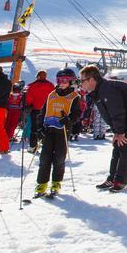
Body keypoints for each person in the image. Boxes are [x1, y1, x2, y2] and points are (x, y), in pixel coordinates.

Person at [79, 64, 127, 192]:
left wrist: (120, 132)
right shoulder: (99, 90)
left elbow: (117, 112)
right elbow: (109, 115)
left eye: (82, 80)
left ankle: (121, 182)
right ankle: (112, 178)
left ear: (91, 79)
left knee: (125, 144)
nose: (81, 84)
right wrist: (116, 132)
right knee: (118, 144)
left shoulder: (107, 89)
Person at [34, 68, 82, 198]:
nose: (61, 83)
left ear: (71, 81)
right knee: (45, 158)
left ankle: (56, 183)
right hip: (49, 130)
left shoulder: (74, 97)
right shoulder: (52, 95)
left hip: (63, 131)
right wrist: (39, 127)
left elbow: (77, 114)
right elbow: (43, 112)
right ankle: (41, 184)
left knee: (59, 159)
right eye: (59, 80)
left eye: (65, 80)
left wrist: (69, 120)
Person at [25, 71, 55, 152]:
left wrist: (29, 105)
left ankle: (33, 146)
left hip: (35, 109)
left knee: (34, 128)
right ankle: (46, 146)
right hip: (47, 110)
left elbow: (28, 97)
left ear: (38, 76)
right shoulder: (51, 85)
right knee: (46, 128)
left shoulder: (32, 85)